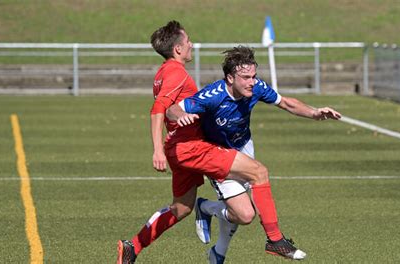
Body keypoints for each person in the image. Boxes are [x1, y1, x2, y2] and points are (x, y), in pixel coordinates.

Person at [117, 23, 306, 264]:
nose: (191, 45)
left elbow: (169, 108)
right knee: (258, 172)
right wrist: (156, 149)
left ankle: (133, 246)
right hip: (192, 147)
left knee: (181, 208)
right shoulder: (176, 73)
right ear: (177, 48)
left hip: (178, 147)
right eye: (188, 42)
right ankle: (275, 240)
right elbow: (159, 110)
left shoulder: (163, 72)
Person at [167, 45, 341, 263]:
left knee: (244, 214)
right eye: (246, 77)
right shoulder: (212, 96)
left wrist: (315, 113)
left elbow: (285, 102)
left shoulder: (256, 88)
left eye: (254, 76)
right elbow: (171, 109)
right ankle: (274, 241)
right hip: (218, 155)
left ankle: (211, 224)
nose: (252, 81)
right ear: (230, 78)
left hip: (244, 148)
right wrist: (181, 115)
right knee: (246, 214)